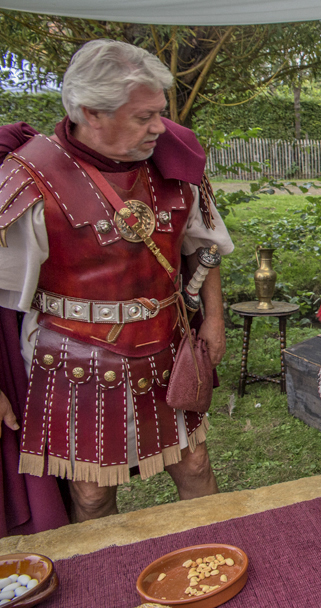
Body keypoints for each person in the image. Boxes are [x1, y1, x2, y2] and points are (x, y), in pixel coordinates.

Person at [0, 39, 233, 522]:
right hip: (73, 359)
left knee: (194, 466)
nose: (158, 127)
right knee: (90, 494)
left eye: (159, 113)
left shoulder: (173, 161)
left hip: (167, 346)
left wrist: (214, 318)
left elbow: (203, 247)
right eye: (143, 116)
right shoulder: (30, 176)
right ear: (91, 112)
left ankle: (215, 562)